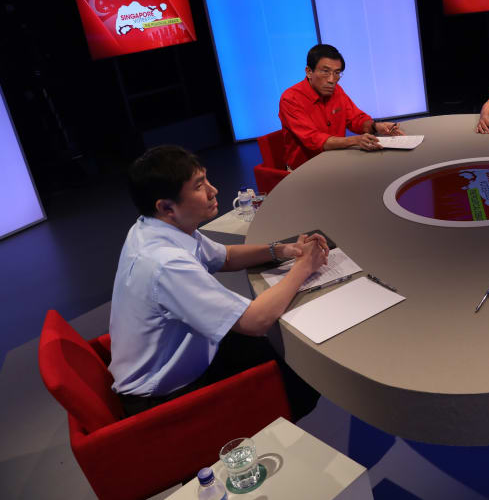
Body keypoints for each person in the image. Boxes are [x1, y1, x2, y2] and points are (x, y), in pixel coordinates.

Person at [109, 145, 328, 418]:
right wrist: (304, 266)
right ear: (166, 207)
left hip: (189, 358)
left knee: (291, 358)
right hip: (165, 398)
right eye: (200, 186)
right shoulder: (166, 263)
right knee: (301, 379)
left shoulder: (152, 227)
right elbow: (255, 321)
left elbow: (224, 257)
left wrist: (281, 250)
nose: (213, 191)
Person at [279, 43, 403, 170]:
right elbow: (314, 140)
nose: (332, 80)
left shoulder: (336, 90)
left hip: (337, 161)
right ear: (309, 72)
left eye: (337, 73)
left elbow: (356, 119)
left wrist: (376, 126)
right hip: (305, 170)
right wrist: (355, 141)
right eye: (325, 72)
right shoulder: (290, 99)